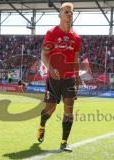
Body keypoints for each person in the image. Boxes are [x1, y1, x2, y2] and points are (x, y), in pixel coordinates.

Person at [36, 2, 81, 152]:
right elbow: (44, 54)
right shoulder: (52, 33)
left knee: (69, 108)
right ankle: (42, 125)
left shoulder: (76, 37)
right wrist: (50, 68)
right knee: (50, 109)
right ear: (60, 14)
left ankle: (64, 142)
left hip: (69, 79)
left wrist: (77, 77)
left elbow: (76, 59)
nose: (69, 14)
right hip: (53, 79)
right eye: (66, 11)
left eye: (71, 12)